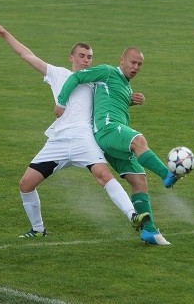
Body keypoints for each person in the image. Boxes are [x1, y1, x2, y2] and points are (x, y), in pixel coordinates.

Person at [0, 22, 149, 238]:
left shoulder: (97, 82)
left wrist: (130, 100)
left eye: (89, 57)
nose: (86, 60)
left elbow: (111, 105)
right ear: (71, 57)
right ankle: (38, 229)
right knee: (25, 184)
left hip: (84, 139)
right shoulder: (58, 74)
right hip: (59, 141)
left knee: (103, 175)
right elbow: (28, 56)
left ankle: (133, 216)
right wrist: (6, 35)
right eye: (81, 55)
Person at [56, 47, 179, 246]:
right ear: (122, 60)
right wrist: (61, 103)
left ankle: (148, 231)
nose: (136, 67)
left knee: (139, 181)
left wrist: (131, 101)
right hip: (107, 129)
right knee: (139, 140)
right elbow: (77, 77)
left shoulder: (125, 86)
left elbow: (111, 101)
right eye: (132, 62)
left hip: (113, 137)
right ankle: (167, 175)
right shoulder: (107, 71)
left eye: (139, 64)